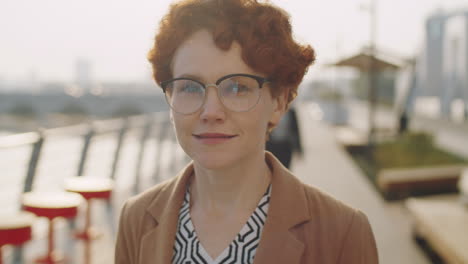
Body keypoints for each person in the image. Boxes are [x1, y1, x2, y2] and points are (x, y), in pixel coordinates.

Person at [115, 0, 379, 263]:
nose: (210, 111)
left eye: (238, 87)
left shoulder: (342, 232)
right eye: (190, 87)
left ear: (278, 102)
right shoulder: (136, 219)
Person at [266, 104, 302, 169]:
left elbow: (295, 131)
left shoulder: (291, 112)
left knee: (285, 170)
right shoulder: (268, 111)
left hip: (286, 147)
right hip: (272, 147)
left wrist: (298, 149)